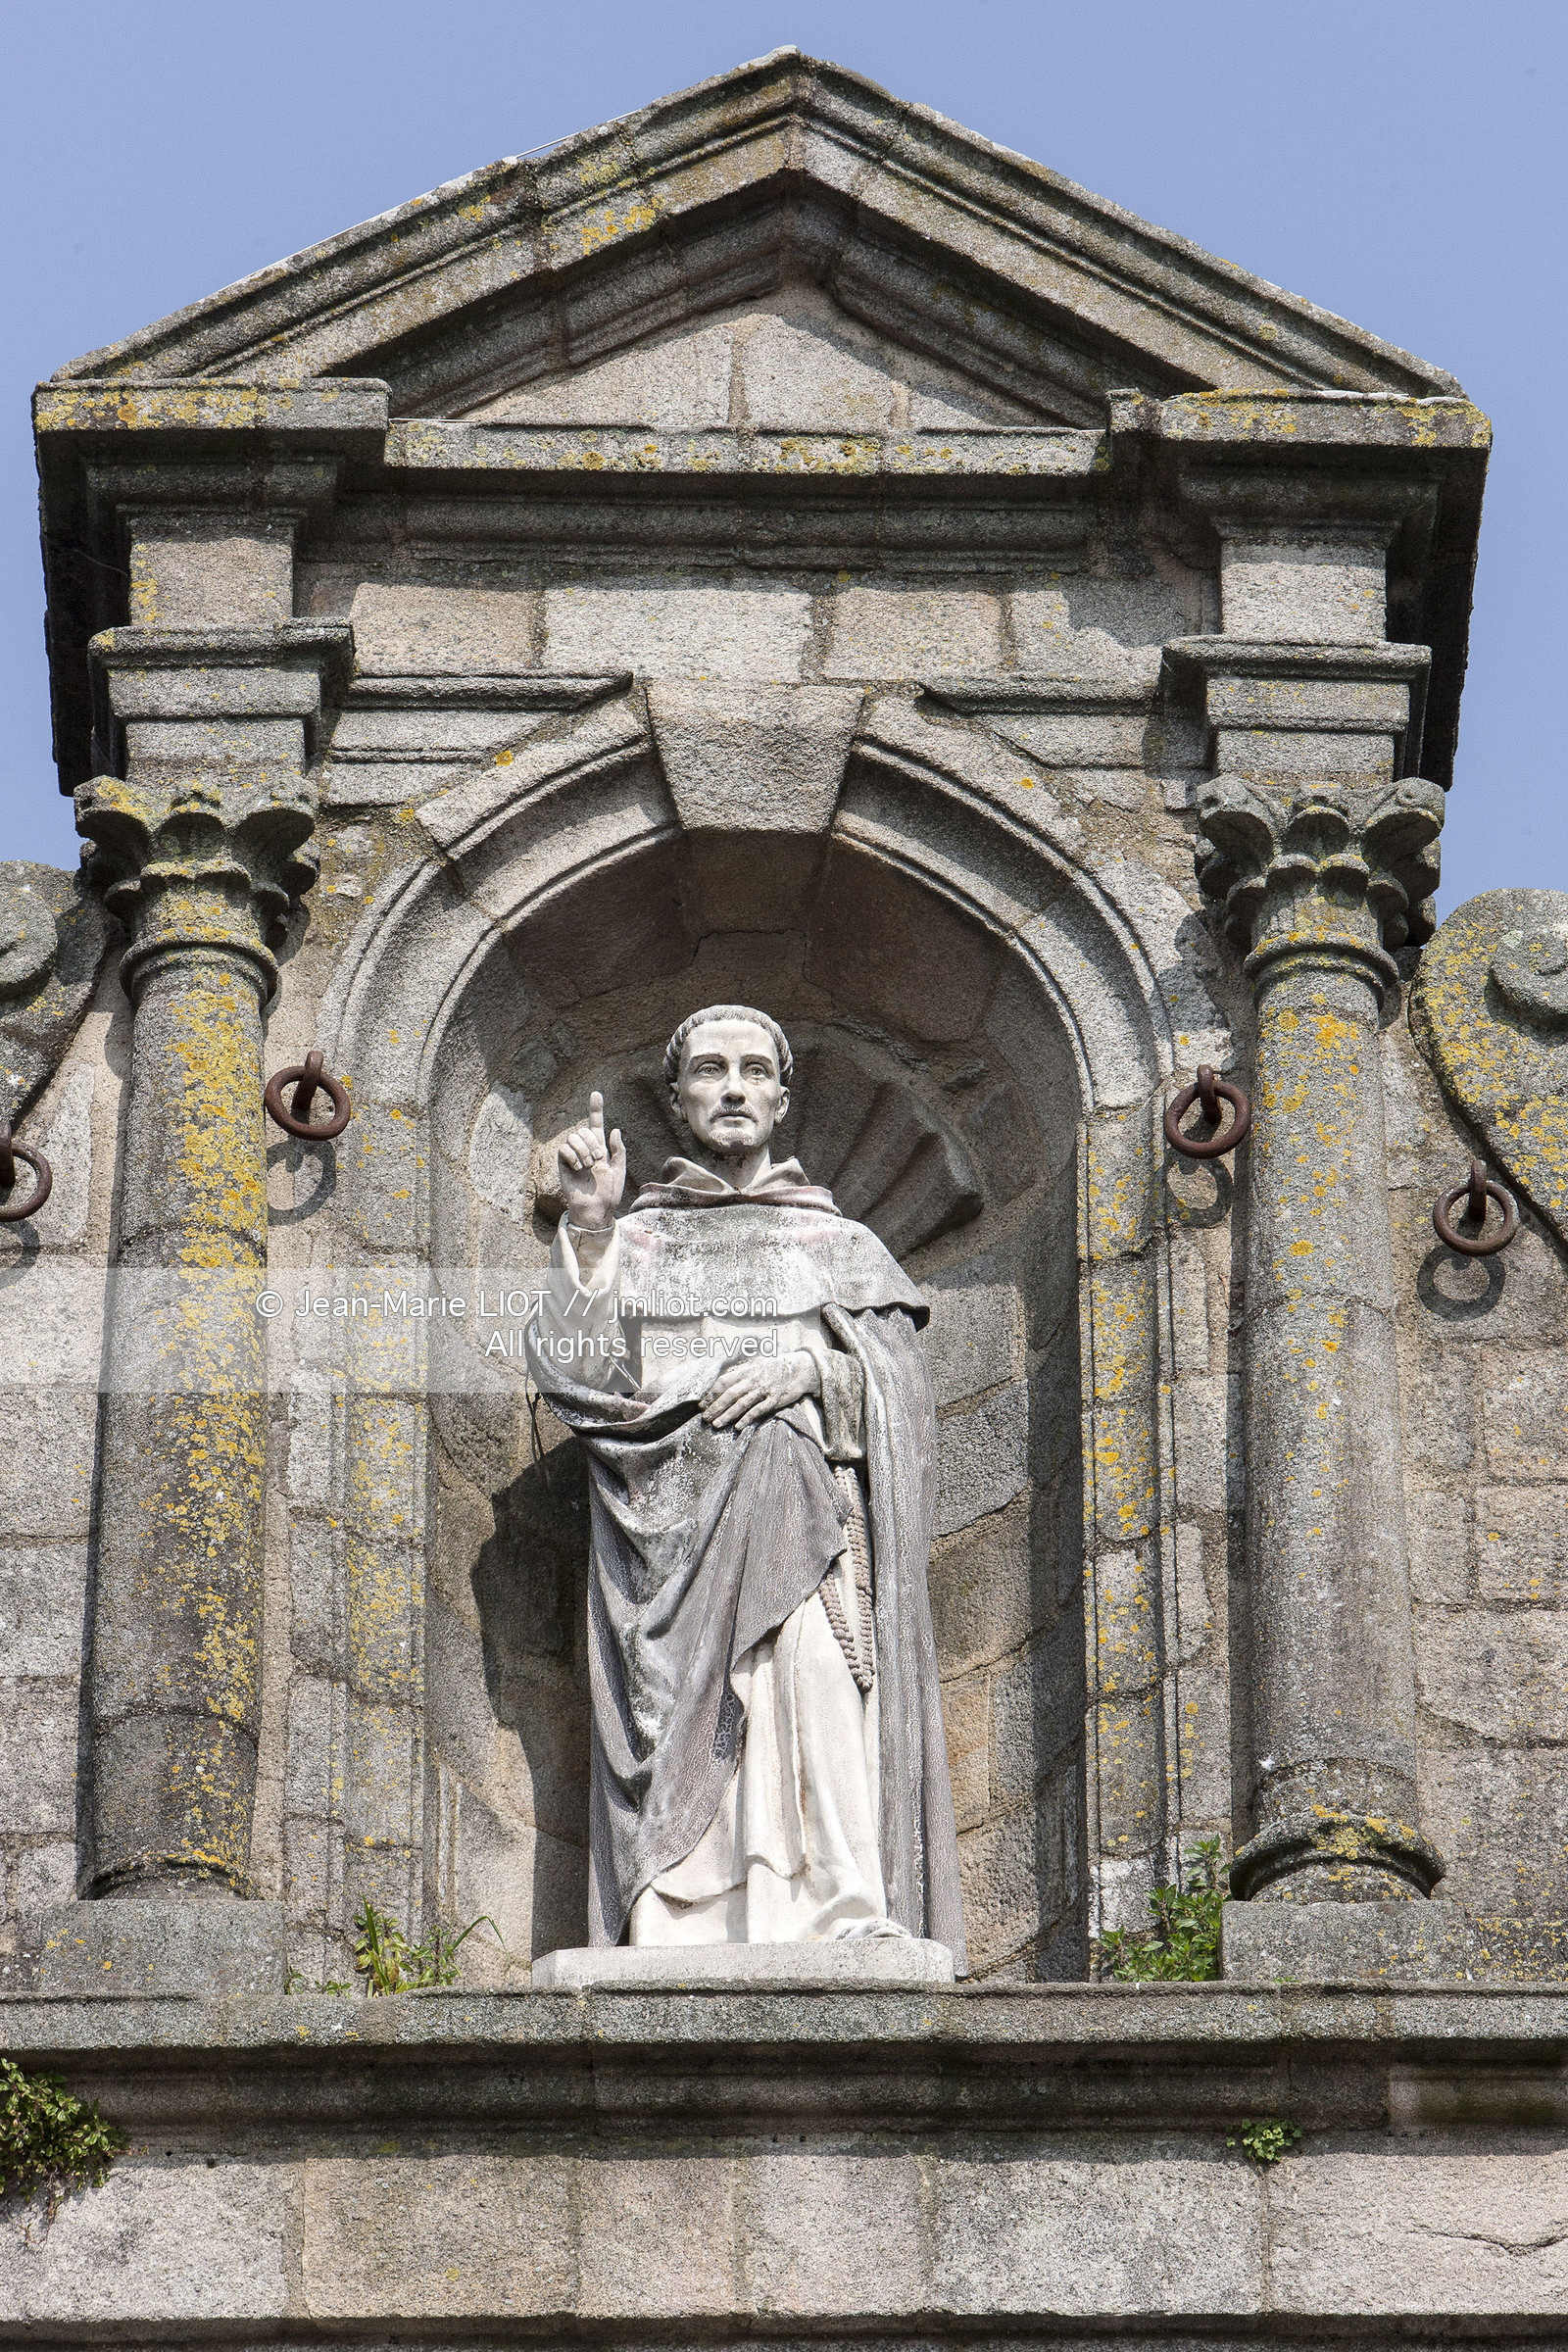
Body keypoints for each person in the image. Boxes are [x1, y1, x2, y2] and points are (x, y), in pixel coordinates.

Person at [527, 1004, 964, 1964]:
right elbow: (574, 1378)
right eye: (710, 1070)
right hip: (665, 1551)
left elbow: (905, 1407)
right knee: (682, 1721)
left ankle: (836, 1903)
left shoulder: (840, 1250)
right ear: (676, 1102)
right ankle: (681, 1916)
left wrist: (811, 1375)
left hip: (805, 1541)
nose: (732, 1087)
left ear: (781, 1096)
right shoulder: (632, 1243)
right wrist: (590, 1227)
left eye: (753, 1070)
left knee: (807, 1682)